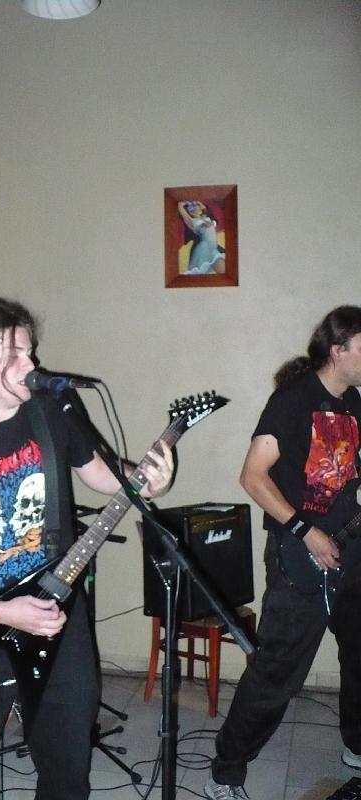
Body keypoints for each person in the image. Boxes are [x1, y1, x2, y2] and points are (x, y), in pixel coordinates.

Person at [0, 296, 175, 800]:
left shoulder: (51, 411)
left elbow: (101, 476)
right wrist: (4, 612)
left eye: (30, 351)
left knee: (67, 773)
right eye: (15, 353)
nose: (31, 364)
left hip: (56, 617)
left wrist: (148, 481)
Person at [205, 305, 361, 800]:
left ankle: (357, 747)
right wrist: (305, 530)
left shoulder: (354, 403)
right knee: (278, 671)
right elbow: (252, 476)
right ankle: (225, 772)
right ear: (338, 350)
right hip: (300, 555)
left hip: (351, 549)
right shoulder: (293, 399)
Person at [177, 200, 226, 275]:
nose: (197, 206)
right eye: (194, 206)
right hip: (204, 250)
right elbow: (180, 206)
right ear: (190, 212)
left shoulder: (207, 218)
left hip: (213, 249)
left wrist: (201, 206)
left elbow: (212, 220)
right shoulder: (192, 221)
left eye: (198, 204)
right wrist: (186, 203)